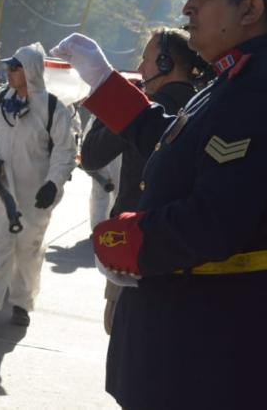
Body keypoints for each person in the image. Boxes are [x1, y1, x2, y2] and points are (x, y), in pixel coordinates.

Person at [51, 0, 267, 409]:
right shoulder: (238, 77)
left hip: (207, 351)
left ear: (251, 9)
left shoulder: (261, 89)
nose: (187, 9)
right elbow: (177, 145)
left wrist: (129, 242)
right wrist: (103, 82)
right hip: (193, 341)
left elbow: (215, 221)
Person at [80, 28, 199, 335]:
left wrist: (112, 101)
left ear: (164, 63)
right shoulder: (205, 103)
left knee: (123, 336)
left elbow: (91, 155)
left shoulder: (146, 108)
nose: (142, 68)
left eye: (146, 60)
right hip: (183, 250)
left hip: (133, 247)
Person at [0, 43, 77, 328]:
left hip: (36, 192)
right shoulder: (0, 99)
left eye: (16, 67)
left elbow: (65, 150)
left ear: (31, 70)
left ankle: (22, 304)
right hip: (1, 189)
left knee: (29, 247)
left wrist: (53, 183)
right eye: (9, 67)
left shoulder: (53, 108)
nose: (9, 72)